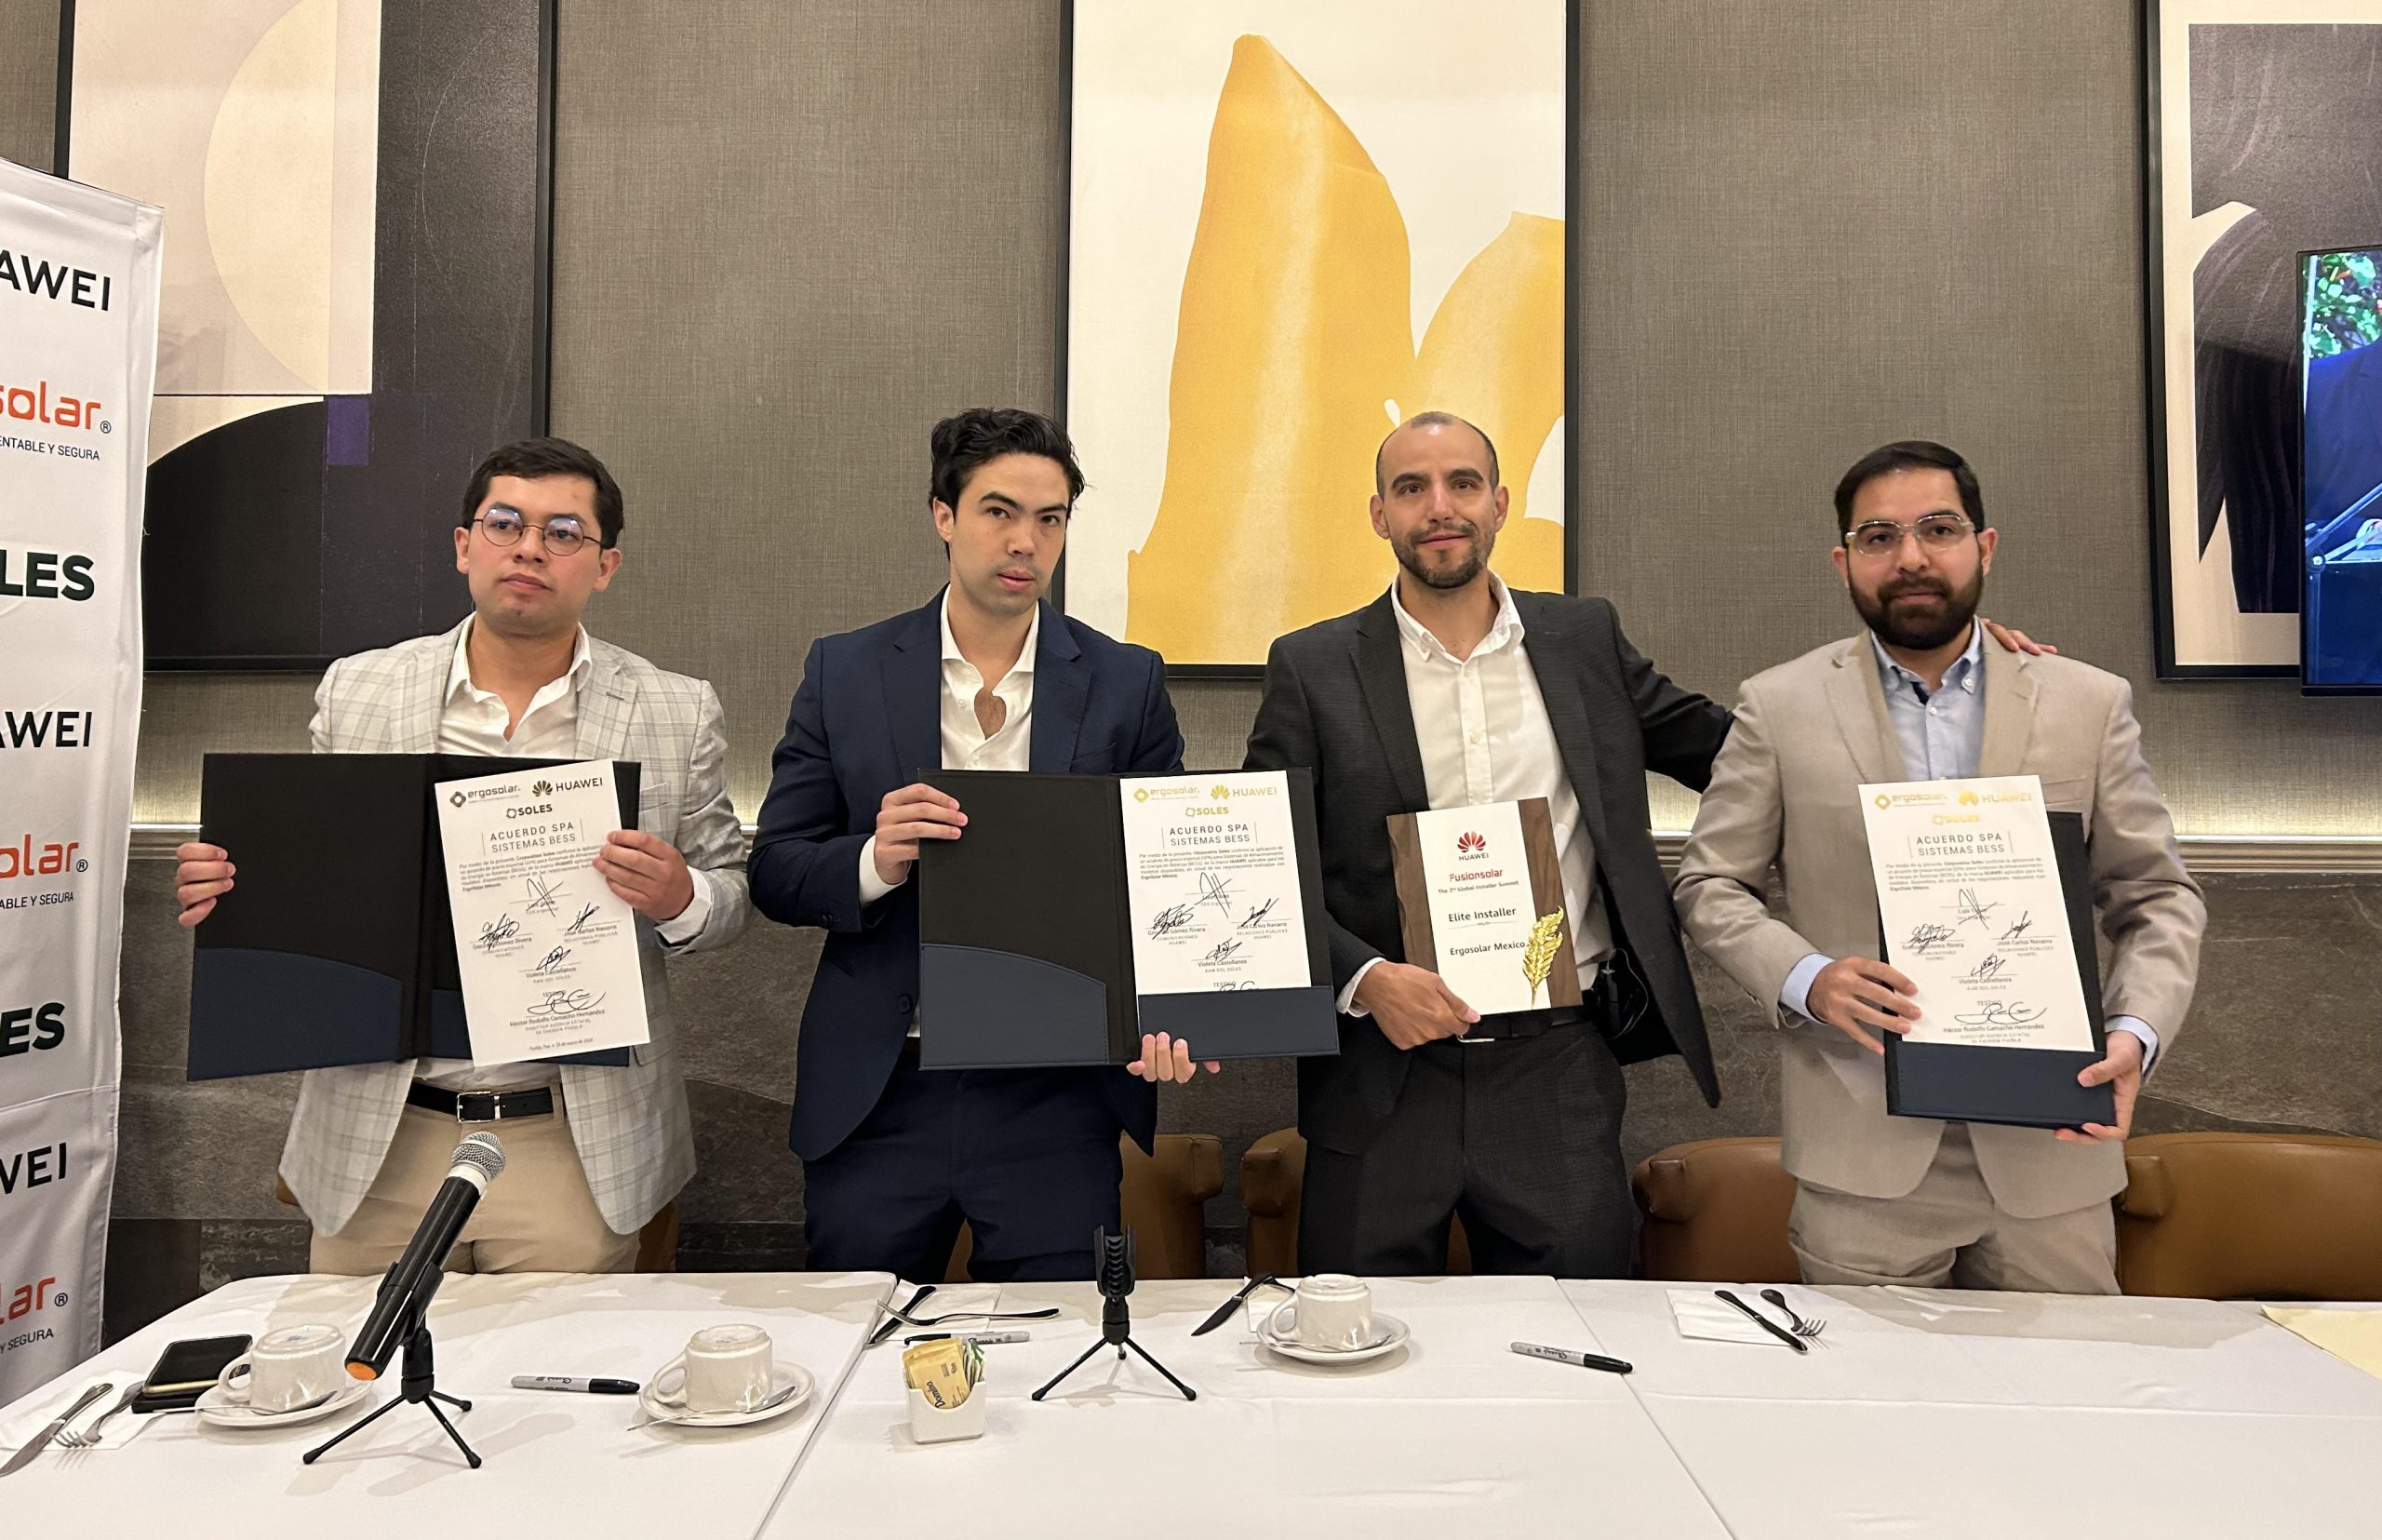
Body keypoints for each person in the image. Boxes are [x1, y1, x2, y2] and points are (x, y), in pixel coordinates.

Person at [174, 436, 751, 1273]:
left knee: (563, 1362)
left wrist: (681, 896)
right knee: (364, 1361)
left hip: (570, 1140)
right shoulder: (359, 691)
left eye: (563, 533)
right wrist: (233, 886)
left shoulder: (675, 710)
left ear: (605, 566)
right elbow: (312, 872)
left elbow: (731, 896)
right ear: (463, 545)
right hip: (380, 1134)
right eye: (505, 524)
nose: (529, 549)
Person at [1674, 439, 2202, 1292]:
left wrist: (2136, 1032)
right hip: (1863, 1149)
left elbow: (2158, 896)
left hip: (2053, 1147)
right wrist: (1807, 978)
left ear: (1984, 547)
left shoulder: (2088, 702)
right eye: (1880, 537)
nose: (1911, 556)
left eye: (1939, 529)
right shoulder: (1777, 705)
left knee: (2069, 1378)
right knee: (1871, 1384)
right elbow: (1710, 884)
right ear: (1844, 563)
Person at [1244, 411, 1729, 1278]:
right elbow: (1262, 864)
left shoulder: (1583, 640)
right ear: (1379, 515)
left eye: (1462, 483)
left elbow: (1731, 753)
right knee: (1354, 1345)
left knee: (1581, 1338)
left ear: (1499, 504)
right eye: (1412, 488)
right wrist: (1364, 978)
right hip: (1383, 1074)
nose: (1440, 506)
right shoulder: (1312, 666)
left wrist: (1898, 680)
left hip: (1557, 1068)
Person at [749, 407, 1205, 1285]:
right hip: (884, 1085)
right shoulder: (846, 671)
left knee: (1057, 1342)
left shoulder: (1125, 680)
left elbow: (1169, 879)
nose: (1025, 541)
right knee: (862, 1337)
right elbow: (774, 869)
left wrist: (1182, 1014)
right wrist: (875, 860)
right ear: (943, 515)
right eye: (999, 512)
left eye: (1050, 518)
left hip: (1055, 1091)